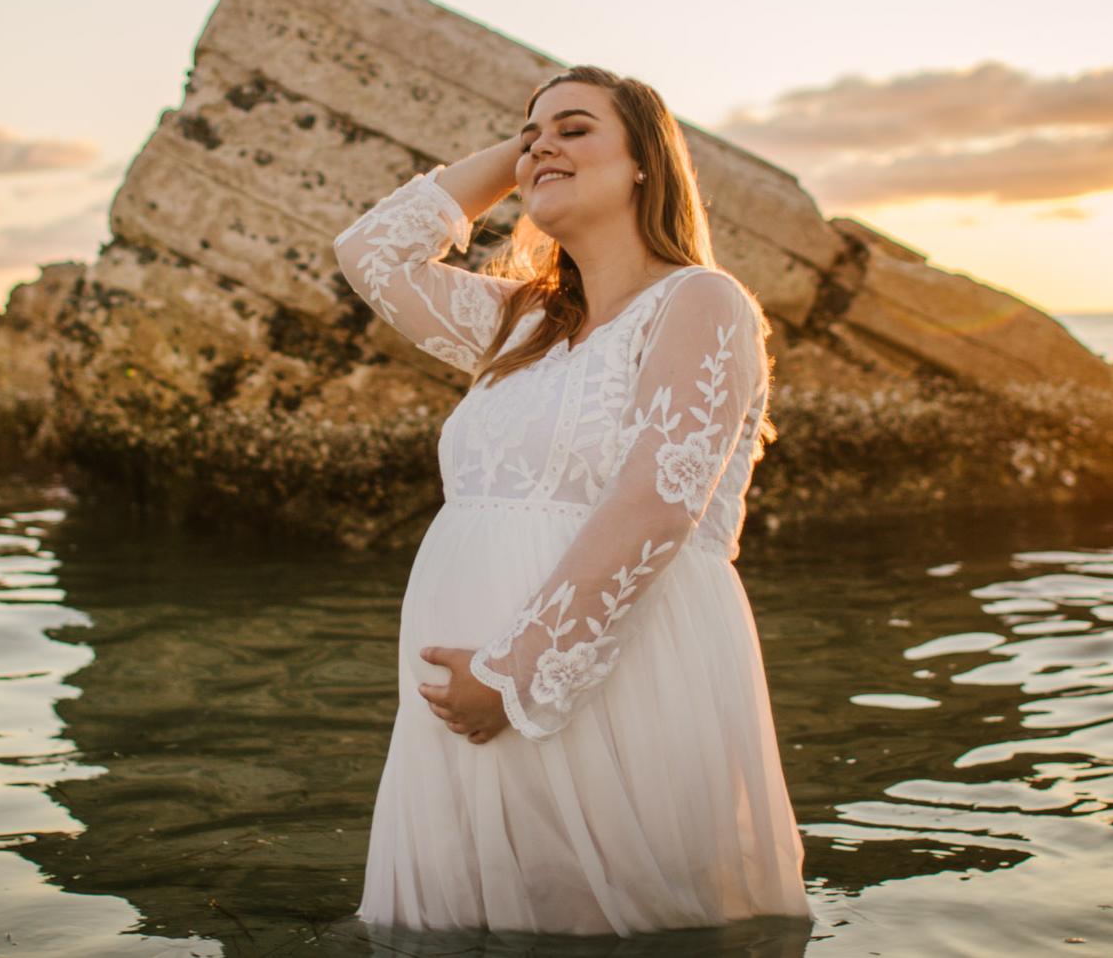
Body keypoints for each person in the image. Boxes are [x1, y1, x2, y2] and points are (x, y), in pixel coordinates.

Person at [330, 65, 813, 937]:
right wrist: (527, 155)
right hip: (465, 694)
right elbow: (369, 253)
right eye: (530, 129)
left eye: (576, 127)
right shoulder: (521, 324)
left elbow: (656, 505)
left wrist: (514, 677)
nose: (543, 141)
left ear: (644, 164)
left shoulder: (699, 302)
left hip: (598, 679)